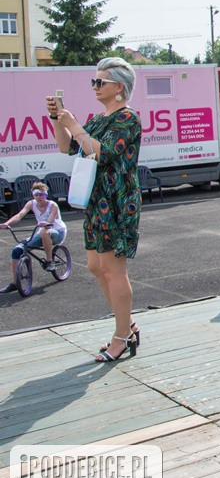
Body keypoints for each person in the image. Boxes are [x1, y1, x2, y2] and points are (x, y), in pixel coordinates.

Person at [46, 57, 142, 363]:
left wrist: (74, 124)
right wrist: (58, 121)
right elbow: (68, 147)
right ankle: (127, 325)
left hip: (117, 201)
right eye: (94, 81)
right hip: (95, 199)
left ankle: (122, 336)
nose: (95, 86)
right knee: (95, 266)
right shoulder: (98, 120)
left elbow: (103, 154)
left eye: (100, 82)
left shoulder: (128, 118)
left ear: (119, 88)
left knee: (114, 269)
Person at [2, 181, 67, 292]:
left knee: (44, 232)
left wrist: (46, 223)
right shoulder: (31, 204)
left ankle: (49, 261)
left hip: (58, 232)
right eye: (36, 195)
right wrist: (7, 223)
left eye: (41, 195)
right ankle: (14, 283)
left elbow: (50, 219)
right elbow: (19, 215)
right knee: (17, 250)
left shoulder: (52, 205)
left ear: (45, 195)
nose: (38, 197)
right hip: (42, 231)